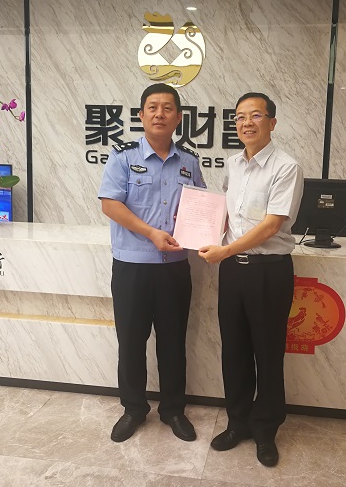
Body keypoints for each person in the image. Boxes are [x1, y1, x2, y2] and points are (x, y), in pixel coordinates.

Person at [199, 92, 304, 467]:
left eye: (255, 115)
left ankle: (265, 430)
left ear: (271, 122)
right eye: (240, 116)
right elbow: (229, 215)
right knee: (235, 351)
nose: (246, 122)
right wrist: (202, 232)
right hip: (233, 271)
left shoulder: (286, 167)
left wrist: (224, 250)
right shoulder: (233, 164)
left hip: (268, 271)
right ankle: (238, 423)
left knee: (268, 353)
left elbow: (272, 225)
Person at [98, 83, 206, 443]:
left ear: (178, 117)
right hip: (132, 267)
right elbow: (110, 205)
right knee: (131, 342)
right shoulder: (122, 157)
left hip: (174, 268)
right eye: (153, 107)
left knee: (173, 342)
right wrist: (151, 233)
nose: (160, 114)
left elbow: (201, 208)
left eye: (167, 108)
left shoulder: (189, 162)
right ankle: (133, 408)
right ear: (141, 115)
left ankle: (173, 410)